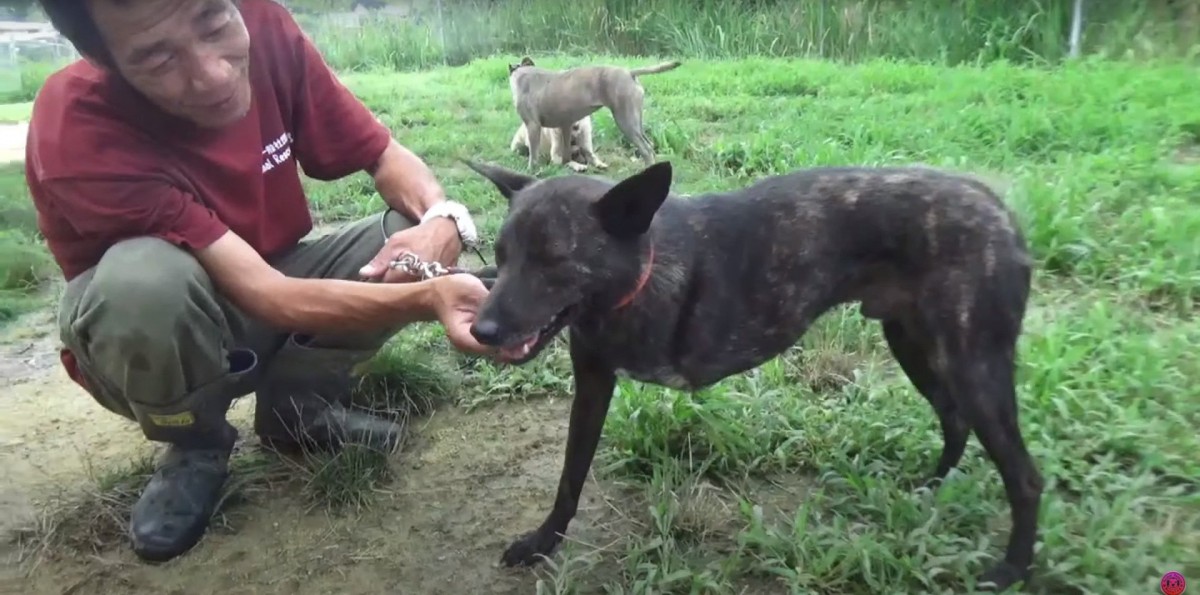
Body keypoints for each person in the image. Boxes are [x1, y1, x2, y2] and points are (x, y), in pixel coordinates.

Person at [26, 0, 496, 563]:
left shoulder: (264, 23)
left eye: (213, 22)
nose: (214, 74)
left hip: (266, 272)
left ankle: (298, 409)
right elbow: (267, 296)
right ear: (100, 60)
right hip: (152, 327)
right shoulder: (78, 122)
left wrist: (443, 216)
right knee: (144, 282)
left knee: (407, 231)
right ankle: (193, 442)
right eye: (156, 57)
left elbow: (382, 152)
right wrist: (431, 295)